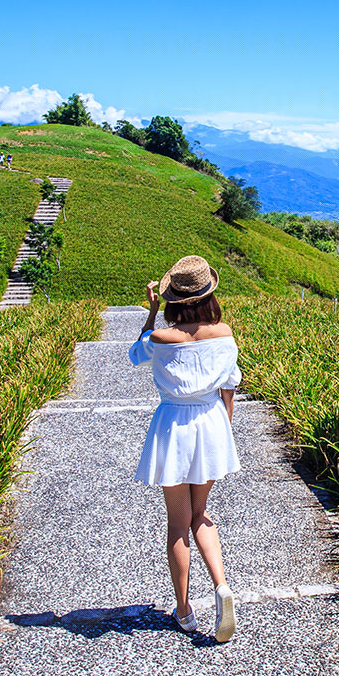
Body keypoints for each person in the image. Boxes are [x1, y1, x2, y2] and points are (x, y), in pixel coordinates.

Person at [129, 255, 241, 642]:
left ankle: (184, 609)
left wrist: (152, 312)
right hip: (211, 425)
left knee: (177, 524)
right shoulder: (225, 334)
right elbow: (229, 387)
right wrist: (224, 432)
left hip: (174, 426)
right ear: (210, 294)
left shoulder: (160, 338)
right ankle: (222, 586)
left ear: (173, 298)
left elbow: (134, 353)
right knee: (201, 515)